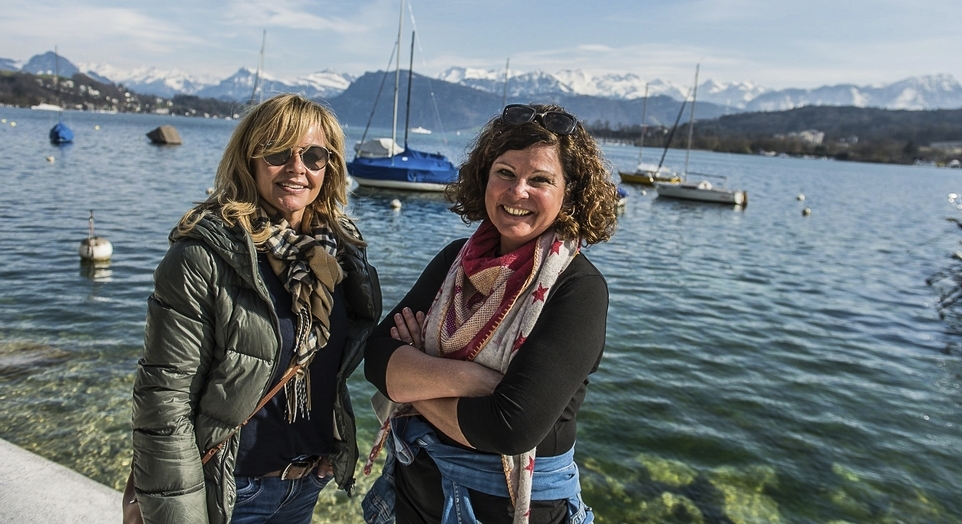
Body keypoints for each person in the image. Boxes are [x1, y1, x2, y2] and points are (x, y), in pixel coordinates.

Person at [130, 94, 382, 524]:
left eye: (315, 156)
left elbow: (332, 368)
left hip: (304, 486)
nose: (297, 168)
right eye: (278, 152)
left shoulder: (340, 253)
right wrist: (175, 513)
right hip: (232, 493)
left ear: (332, 166)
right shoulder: (204, 256)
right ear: (248, 159)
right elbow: (165, 398)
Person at [362, 103, 618, 524]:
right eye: (505, 173)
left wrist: (412, 379)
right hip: (412, 496)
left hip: (507, 508)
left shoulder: (578, 288)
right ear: (484, 177)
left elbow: (509, 428)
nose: (518, 192)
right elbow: (375, 357)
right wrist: (472, 380)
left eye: (540, 180)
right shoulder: (455, 261)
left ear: (568, 193)